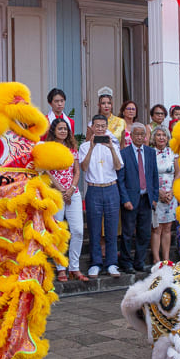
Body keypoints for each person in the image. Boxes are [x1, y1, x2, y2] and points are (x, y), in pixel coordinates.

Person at [79, 114, 124, 277]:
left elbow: (118, 166)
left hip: (111, 188)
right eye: (96, 126)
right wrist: (91, 147)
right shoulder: (84, 146)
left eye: (102, 126)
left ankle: (112, 263)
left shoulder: (113, 145)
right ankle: (96, 263)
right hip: (94, 189)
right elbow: (84, 168)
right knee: (94, 228)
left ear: (106, 127)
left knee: (112, 228)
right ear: (92, 128)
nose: (99, 129)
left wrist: (111, 147)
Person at [46, 118, 85, 282]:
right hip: (56, 194)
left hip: (72, 193)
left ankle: (74, 268)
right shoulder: (49, 148)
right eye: (60, 128)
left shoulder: (72, 148)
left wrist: (70, 189)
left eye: (65, 129)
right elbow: (46, 170)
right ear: (54, 130)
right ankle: (61, 267)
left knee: (78, 230)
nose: (63, 131)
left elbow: (77, 171)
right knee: (58, 232)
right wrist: (60, 189)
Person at [117, 123, 158, 273]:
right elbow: (120, 180)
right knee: (127, 233)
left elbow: (154, 176)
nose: (140, 137)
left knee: (144, 233)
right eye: (137, 134)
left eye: (142, 134)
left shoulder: (150, 152)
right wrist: (125, 199)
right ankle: (126, 263)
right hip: (130, 200)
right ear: (132, 136)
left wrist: (154, 197)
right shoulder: (124, 153)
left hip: (146, 199)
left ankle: (139, 262)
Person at [150, 126, 177, 265]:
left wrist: (172, 191)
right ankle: (156, 259)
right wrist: (158, 192)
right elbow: (148, 175)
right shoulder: (150, 153)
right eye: (158, 135)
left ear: (167, 138)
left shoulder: (173, 153)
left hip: (171, 194)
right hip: (156, 194)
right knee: (157, 228)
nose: (161, 137)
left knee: (167, 227)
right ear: (154, 138)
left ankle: (166, 258)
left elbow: (177, 174)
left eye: (164, 135)